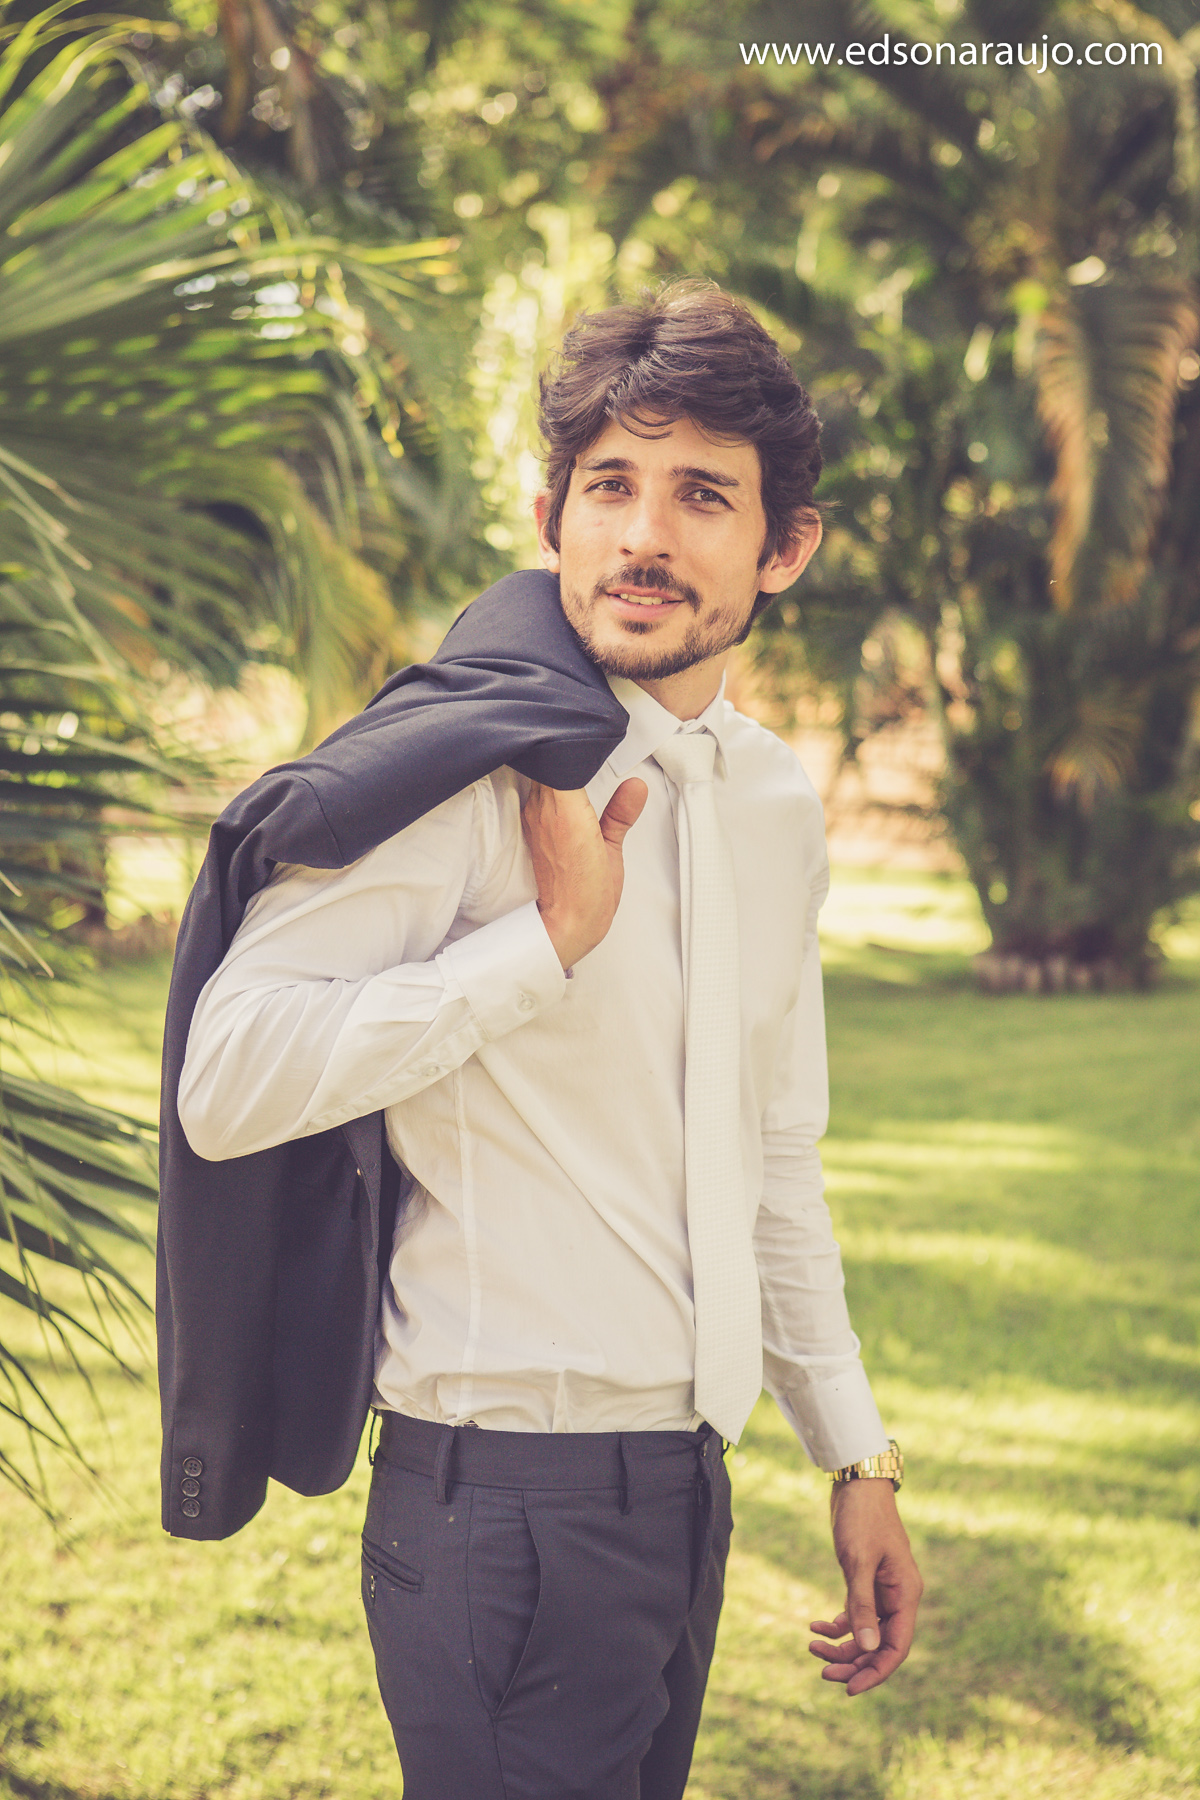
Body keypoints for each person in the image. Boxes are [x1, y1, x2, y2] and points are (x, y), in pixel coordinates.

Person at [176, 281, 923, 1800]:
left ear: (785, 547)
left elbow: (772, 1154)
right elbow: (227, 1076)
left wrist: (853, 1454)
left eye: (701, 495)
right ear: (551, 514)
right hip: (496, 1511)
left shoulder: (774, 802)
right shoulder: (472, 776)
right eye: (610, 488)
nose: (644, 534)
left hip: (685, 1491)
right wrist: (539, 947)